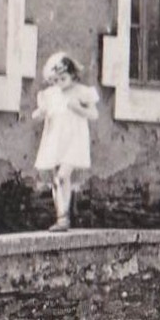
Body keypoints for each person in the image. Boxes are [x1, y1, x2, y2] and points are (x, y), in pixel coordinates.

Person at [32, 51, 99, 231]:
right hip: (55, 138)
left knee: (63, 176)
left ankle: (64, 217)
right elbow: (40, 113)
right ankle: (61, 217)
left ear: (72, 75)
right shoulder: (50, 94)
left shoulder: (81, 92)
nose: (59, 83)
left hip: (74, 140)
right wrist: (40, 113)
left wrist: (77, 107)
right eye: (55, 80)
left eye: (63, 78)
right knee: (57, 179)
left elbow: (93, 114)